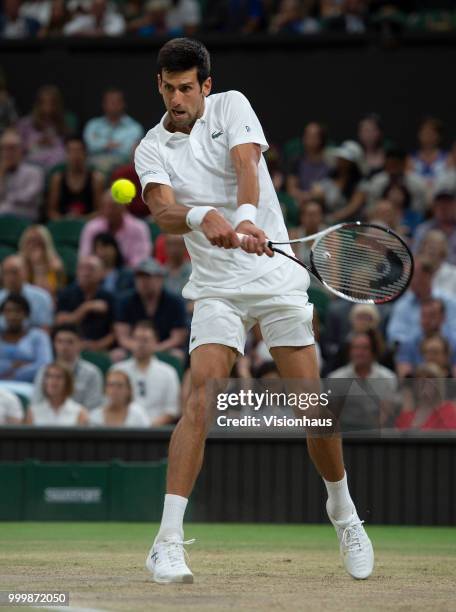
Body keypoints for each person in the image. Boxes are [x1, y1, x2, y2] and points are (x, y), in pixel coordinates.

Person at [134, 38, 374, 583]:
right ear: (159, 86)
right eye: (169, 88)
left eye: (187, 88)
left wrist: (243, 217)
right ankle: (166, 541)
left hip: (273, 277)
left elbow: (246, 162)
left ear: (206, 86)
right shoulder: (150, 147)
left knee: (313, 406)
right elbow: (163, 210)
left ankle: (343, 511)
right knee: (202, 395)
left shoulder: (232, 105)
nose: (177, 98)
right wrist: (201, 218)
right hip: (216, 288)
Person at [115, 258, 188, 356]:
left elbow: (178, 337)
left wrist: (155, 348)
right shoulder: (125, 301)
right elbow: (123, 337)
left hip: (164, 349)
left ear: (160, 279)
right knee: (117, 354)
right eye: (139, 277)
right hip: (134, 348)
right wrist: (139, 348)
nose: (143, 281)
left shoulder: (175, 302)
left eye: (148, 277)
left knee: (177, 355)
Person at [113, 320, 180, 425]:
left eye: (145, 340)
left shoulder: (168, 372)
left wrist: (147, 428)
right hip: (122, 430)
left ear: (155, 342)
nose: (140, 344)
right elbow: (110, 403)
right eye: (137, 339)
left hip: (155, 433)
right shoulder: (117, 370)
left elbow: (171, 410)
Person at [327, 331, 398, 431]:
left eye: (365, 348)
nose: (359, 353)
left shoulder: (388, 378)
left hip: (376, 436)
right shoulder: (336, 378)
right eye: (355, 348)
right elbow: (332, 418)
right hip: (345, 435)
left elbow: (387, 417)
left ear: (373, 351)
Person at [386, 256, 456, 346]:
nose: (408, 280)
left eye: (413, 275)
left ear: (428, 275)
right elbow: (394, 336)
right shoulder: (402, 304)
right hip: (410, 356)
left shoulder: (450, 302)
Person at [32, 323, 104, 411]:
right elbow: (36, 405)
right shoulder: (44, 371)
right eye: (59, 341)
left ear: (80, 344)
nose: (64, 347)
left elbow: (93, 408)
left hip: (81, 422)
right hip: (48, 422)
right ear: (54, 344)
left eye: (70, 342)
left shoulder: (92, 373)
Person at [55, 255, 115, 352]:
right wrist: (86, 307)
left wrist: (96, 346)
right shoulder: (66, 293)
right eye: (81, 268)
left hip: (102, 349)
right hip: (69, 347)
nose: (85, 273)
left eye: (91, 269)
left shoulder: (109, 298)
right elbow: (60, 322)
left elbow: (115, 332)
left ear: (102, 273)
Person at [78, 190, 152, 267]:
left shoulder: (139, 228)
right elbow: (85, 258)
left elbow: (141, 261)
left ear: (124, 206)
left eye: (113, 207)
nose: (108, 211)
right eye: (105, 207)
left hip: (129, 274)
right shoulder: (91, 227)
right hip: (97, 274)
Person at [83, 88, 143, 174]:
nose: (114, 105)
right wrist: (112, 145)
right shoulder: (93, 125)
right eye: (110, 102)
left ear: (123, 104)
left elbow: (128, 151)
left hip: (121, 164)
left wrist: (101, 143)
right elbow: (90, 146)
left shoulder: (134, 127)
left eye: (117, 102)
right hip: (95, 163)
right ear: (103, 104)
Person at [395, 298, 456, 378]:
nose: (427, 320)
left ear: (443, 317)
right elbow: (405, 380)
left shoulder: (454, 343)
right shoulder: (408, 344)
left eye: (432, 315)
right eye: (424, 316)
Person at [47, 136, 105, 219]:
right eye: (71, 151)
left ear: (85, 154)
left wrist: (79, 220)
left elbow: (101, 211)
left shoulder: (96, 179)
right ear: (66, 154)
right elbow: (51, 211)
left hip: (89, 225)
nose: (75, 156)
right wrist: (65, 221)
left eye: (79, 151)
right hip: (63, 224)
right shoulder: (57, 179)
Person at [0, 293, 52, 382]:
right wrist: (13, 365)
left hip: (29, 388)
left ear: (26, 314)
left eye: (17, 311)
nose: (12, 316)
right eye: (8, 311)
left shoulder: (39, 336)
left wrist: (14, 375)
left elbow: (44, 365)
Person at [311, 140, 366, 223]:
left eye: (346, 160)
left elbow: (353, 207)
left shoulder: (361, 184)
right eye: (341, 159)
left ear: (353, 164)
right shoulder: (328, 180)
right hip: (328, 225)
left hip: (353, 226)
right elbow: (318, 197)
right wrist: (318, 196)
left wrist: (332, 218)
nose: (342, 162)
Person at [16, 85, 67, 172]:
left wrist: (51, 143)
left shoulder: (61, 124)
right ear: (38, 104)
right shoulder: (25, 123)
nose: (48, 107)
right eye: (44, 102)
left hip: (55, 163)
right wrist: (37, 143)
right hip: (32, 161)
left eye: (52, 103)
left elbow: (63, 148)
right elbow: (19, 148)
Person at [363, 147, 427, 215]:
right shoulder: (377, 182)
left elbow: (420, 211)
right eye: (389, 164)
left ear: (403, 164)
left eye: (395, 164)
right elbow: (370, 210)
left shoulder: (417, 183)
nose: (393, 169)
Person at [395, 363, 456, 430]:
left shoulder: (447, 411)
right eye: (419, 378)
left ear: (438, 384)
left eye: (429, 378)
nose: (423, 382)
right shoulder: (407, 412)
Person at [0, 128, 44, 220]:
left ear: (20, 149)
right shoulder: (1, 171)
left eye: (12, 148)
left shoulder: (35, 171)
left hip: (25, 218)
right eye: (4, 148)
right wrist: (1, 174)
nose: (8, 153)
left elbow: (29, 197)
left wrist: (8, 199)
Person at [0, 255, 54, 329]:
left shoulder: (42, 297)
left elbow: (46, 328)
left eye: (14, 272)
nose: (10, 278)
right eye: (6, 273)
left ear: (25, 272)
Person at [286, 122, 330, 205]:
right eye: (306, 135)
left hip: (325, 204)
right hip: (301, 203)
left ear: (321, 139)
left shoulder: (331, 163)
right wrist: (308, 196)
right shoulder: (296, 161)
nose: (307, 138)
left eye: (312, 136)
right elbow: (291, 189)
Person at [18, 225, 65, 296]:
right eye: (30, 241)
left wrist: (38, 265)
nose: (33, 246)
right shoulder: (18, 263)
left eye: (38, 242)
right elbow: (19, 289)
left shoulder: (55, 265)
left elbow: (48, 292)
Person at [413, 189, 456, 265]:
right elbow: (415, 256)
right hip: (430, 272)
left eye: (448, 203)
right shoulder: (423, 229)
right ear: (433, 207)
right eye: (440, 203)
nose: (444, 207)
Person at [408, 118, 448, 191]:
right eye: (425, 132)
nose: (428, 136)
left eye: (432, 133)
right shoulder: (410, 159)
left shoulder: (448, 158)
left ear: (439, 136)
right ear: (419, 135)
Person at [417, 229, 456, 295]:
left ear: (444, 250)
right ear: (422, 248)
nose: (431, 249)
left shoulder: (454, 274)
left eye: (436, 245)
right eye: (428, 244)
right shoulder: (415, 273)